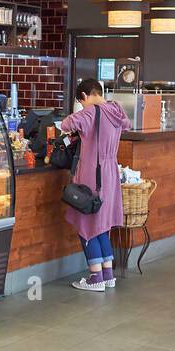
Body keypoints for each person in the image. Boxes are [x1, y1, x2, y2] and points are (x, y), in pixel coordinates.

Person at [59, 78, 131, 292]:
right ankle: (107, 275)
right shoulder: (116, 109)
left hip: (92, 172)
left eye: (81, 102)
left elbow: (65, 124)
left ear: (84, 96)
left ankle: (95, 278)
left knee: (87, 223)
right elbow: (126, 126)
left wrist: (81, 110)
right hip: (109, 173)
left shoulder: (90, 112)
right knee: (102, 224)